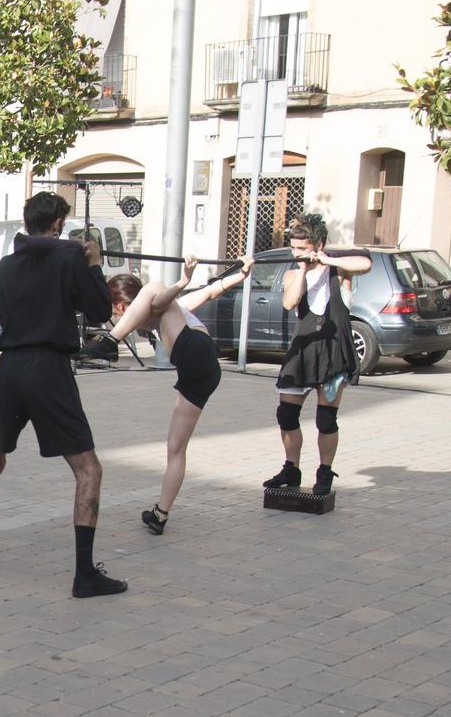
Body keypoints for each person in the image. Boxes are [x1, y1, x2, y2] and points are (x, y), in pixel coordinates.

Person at [0, 190, 125, 597]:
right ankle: (84, 574)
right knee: (89, 469)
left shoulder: (4, 266)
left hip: (11, 368)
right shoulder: (69, 258)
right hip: (47, 368)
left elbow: (6, 312)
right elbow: (101, 311)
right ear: (55, 225)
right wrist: (94, 263)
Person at [83, 256, 250, 533]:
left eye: (115, 311)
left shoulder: (164, 303)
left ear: (121, 306)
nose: (118, 314)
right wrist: (240, 276)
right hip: (199, 375)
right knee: (175, 448)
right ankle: (160, 515)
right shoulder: (167, 310)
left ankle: (110, 342)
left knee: (155, 288)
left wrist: (185, 280)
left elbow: (167, 298)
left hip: (196, 350)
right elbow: (211, 291)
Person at [264, 213, 371, 499]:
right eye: (293, 247)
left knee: (326, 419)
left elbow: (366, 263)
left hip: (334, 352)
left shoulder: (340, 272)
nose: (296, 252)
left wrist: (328, 260)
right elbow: (289, 303)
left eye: (302, 247)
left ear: (318, 244)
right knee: (286, 413)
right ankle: (291, 468)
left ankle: (324, 472)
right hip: (303, 351)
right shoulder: (292, 274)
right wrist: (301, 268)